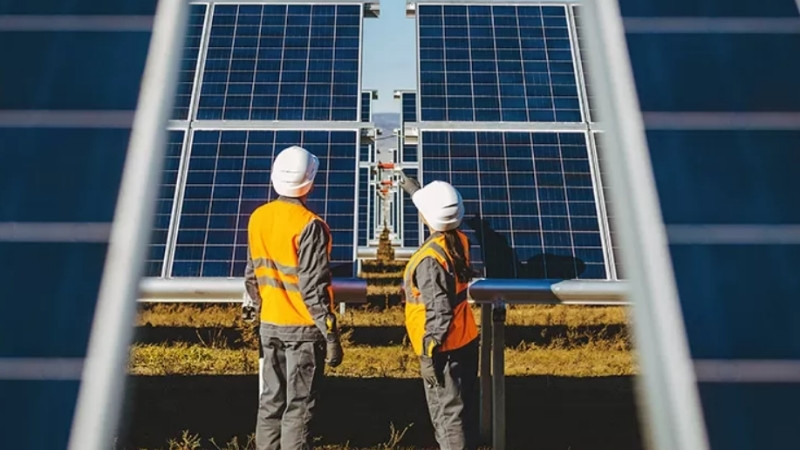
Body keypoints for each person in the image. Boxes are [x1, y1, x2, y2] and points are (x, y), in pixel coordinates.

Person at [242, 145, 344, 450]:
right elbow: (313, 288)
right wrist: (331, 334)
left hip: (269, 326)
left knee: (270, 402)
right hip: (302, 331)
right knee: (298, 409)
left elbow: (252, 275)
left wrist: (257, 313)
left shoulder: (258, 217)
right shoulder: (310, 225)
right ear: (309, 182)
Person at [398, 174, 480, 450]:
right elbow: (439, 213)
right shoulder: (459, 240)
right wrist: (415, 191)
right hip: (464, 339)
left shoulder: (430, 260)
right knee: (462, 410)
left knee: (448, 418)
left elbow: (439, 312)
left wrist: (427, 354)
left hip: (443, 350)